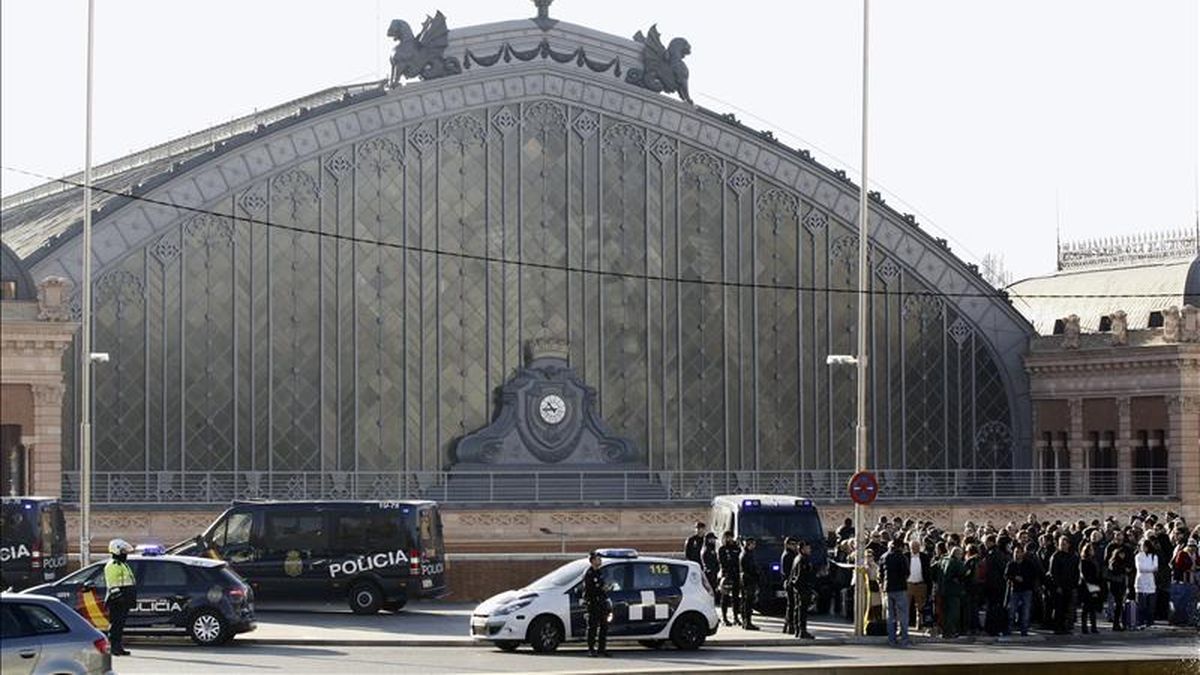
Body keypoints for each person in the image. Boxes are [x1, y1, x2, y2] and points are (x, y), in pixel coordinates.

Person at [103, 538, 137, 656]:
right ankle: (113, 647)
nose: (125, 554)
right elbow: (112, 584)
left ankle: (119, 646)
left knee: (120, 625)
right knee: (115, 625)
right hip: (116, 600)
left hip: (124, 598)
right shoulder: (112, 565)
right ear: (116, 551)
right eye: (123, 551)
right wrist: (119, 597)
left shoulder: (123, 564)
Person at [880, 538, 911, 647]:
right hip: (900, 588)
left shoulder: (884, 556)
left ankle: (891, 639)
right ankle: (904, 639)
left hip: (887, 588)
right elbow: (907, 572)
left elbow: (881, 573)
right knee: (903, 615)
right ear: (901, 546)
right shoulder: (902, 557)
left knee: (890, 615)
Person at [1048, 535, 1080, 634]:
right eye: (1061, 544)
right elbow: (1053, 573)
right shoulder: (1055, 556)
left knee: (1067, 608)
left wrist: (1075, 583)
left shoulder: (1072, 556)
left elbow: (1076, 571)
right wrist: (1057, 586)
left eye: (1065, 544)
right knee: (1058, 608)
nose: (1063, 546)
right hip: (1059, 586)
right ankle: (1057, 627)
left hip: (1069, 586)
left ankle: (1065, 627)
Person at [1005, 543, 1038, 636]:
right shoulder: (1011, 564)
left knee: (1025, 611)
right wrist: (1014, 578)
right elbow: (1006, 575)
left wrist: (1024, 579)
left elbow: (1033, 576)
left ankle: (1024, 630)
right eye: (1015, 552)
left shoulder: (1029, 564)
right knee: (1011, 611)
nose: (1016, 554)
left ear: (1022, 553)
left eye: (1018, 552)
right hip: (1014, 589)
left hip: (1026, 590)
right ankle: (1009, 629)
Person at [582, 551, 610, 657]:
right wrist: (600, 588)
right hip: (593, 603)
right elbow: (589, 589)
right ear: (593, 561)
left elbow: (602, 585)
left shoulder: (600, 572)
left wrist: (605, 589)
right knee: (592, 627)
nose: (600, 560)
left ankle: (601, 649)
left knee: (604, 626)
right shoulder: (589, 573)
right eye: (598, 559)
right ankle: (591, 649)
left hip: (602, 602)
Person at [789, 540, 816, 639]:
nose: (810, 550)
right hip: (803, 588)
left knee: (798, 609)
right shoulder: (802, 560)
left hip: (799, 588)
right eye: (808, 548)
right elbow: (801, 576)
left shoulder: (798, 558)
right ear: (803, 549)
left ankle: (798, 630)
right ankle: (802, 630)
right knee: (802, 610)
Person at [939, 547, 966, 638]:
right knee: (953, 612)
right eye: (960, 554)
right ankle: (950, 631)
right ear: (957, 554)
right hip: (953, 590)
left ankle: (944, 631)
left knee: (945, 612)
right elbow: (964, 574)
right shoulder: (957, 563)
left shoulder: (943, 560)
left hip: (943, 589)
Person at [905, 539, 931, 633]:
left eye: (917, 547)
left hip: (921, 584)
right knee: (905, 606)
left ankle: (919, 624)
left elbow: (928, 571)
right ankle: (904, 627)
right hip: (908, 584)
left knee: (920, 607)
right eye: (913, 547)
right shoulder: (906, 556)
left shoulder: (924, 557)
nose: (915, 549)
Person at [1107, 540, 1133, 631]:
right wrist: (1124, 569)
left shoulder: (1122, 562)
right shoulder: (1114, 562)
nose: (1123, 556)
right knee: (1118, 604)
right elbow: (1115, 570)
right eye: (1121, 554)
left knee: (1120, 605)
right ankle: (1116, 623)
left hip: (1121, 584)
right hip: (1116, 585)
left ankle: (1118, 623)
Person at [1078, 542, 1103, 634]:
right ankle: (1084, 627)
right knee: (1086, 608)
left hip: (1095, 585)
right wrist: (1091, 583)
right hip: (1086, 586)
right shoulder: (1083, 561)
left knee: (1093, 607)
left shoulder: (1094, 560)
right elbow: (1084, 575)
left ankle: (1093, 626)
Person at [717, 531, 742, 626]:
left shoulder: (736, 548)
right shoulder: (722, 549)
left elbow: (738, 560)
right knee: (725, 597)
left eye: (730, 537)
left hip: (736, 575)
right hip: (727, 575)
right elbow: (722, 562)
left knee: (736, 598)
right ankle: (724, 618)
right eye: (727, 537)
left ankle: (736, 617)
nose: (729, 539)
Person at [1134, 539, 1158, 629]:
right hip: (1140, 581)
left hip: (1150, 582)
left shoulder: (1153, 556)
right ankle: (1140, 621)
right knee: (1141, 604)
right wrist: (1149, 568)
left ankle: (1150, 621)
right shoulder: (1138, 556)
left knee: (1151, 605)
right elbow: (1140, 568)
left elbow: (1155, 568)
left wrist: (1148, 569)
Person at [739, 538, 761, 630]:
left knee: (747, 602)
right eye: (753, 544)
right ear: (749, 544)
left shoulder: (748, 554)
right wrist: (756, 575)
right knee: (748, 602)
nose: (754, 546)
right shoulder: (746, 555)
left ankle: (746, 621)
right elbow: (749, 569)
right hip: (748, 581)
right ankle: (747, 622)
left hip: (748, 580)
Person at [780, 537, 799, 635]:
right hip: (789, 582)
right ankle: (790, 625)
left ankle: (787, 625)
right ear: (787, 545)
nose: (794, 546)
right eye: (792, 544)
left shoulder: (792, 554)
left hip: (788, 582)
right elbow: (788, 571)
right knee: (792, 605)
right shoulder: (788, 555)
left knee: (791, 605)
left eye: (795, 544)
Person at [701, 532, 720, 601]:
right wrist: (711, 570)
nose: (714, 541)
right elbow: (708, 562)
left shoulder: (712, 549)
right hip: (709, 573)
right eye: (712, 539)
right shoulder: (707, 550)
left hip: (713, 572)